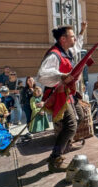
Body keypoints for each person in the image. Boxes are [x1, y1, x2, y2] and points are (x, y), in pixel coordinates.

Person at [36, 22, 87, 172]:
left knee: (81, 115)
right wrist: (61, 75)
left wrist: (82, 31)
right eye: (72, 37)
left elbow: (78, 47)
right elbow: (42, 75)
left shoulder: (67, 51)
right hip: (59, 95)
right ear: (63, 39)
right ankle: (55, 159)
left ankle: (67, 143)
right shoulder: (54, 54)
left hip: (69, 93)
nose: (75, 39)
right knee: (71, 126)